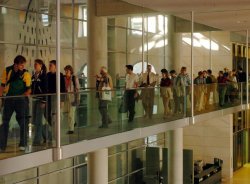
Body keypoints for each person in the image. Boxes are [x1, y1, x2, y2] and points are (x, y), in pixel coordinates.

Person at [0, 55, 31, 152]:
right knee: (4, 122)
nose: (23, 67)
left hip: (21, 100)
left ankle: (23, 143)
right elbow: (2, 85)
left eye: (23, 65)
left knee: (23, 122)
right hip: (9, 99)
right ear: (15, 65)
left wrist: (24, 96)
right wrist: (1, 97)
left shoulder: (26, 73)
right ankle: (1, 145)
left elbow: (29, 89)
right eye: (21, 65)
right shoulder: (7, 70)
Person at [46, 60, 66, 142]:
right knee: (47, 114)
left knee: (54, 116)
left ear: (55, 66)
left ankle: (56, 136)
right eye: (49, 65)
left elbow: (63, 88)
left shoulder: (60, 75)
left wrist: (62, 100)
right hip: (48, 97)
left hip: (56, 98)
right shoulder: (47, 75)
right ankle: (52, 132)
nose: (49, 67)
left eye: (51, 65)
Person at [31, 59, 48, 146]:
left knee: (38, 120)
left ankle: (37, 140)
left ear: (41, 65)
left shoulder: (43, 76)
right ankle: (47, 136)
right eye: (34, 64)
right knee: (34, 120)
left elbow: (45, 89)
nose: (35, 65)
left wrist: (44, 101)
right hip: (34, 99)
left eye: (36, 64)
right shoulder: (34, 76)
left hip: (40, 100)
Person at [63, 65, 80, 134]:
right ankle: (73, 122)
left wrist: (77, 99)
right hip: (65, 97)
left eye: (68, 70)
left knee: (71, 113)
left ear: (71, 71)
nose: (66, 72)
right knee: (68, 113)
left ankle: (71, 129)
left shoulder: (74, 78)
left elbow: (77, 89)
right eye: (65, 70)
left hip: (72, 97)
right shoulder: (63, 78)